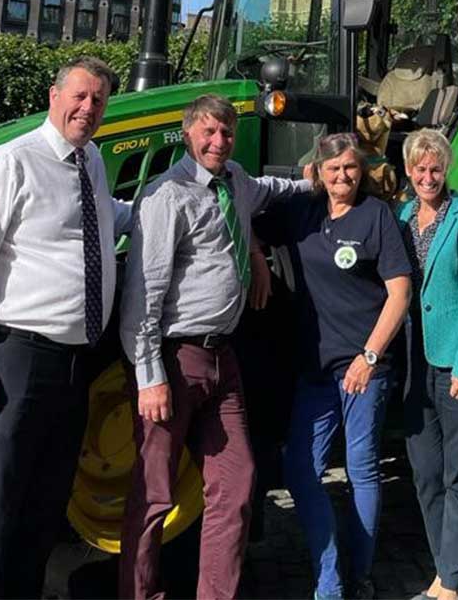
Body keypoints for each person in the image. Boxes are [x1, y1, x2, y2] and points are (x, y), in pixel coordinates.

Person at [0, 56, 125, 599]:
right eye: (80, 96)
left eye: (98, 101)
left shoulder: (91, 162)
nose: (88, 109)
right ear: (53, 95)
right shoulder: (11, 162)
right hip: (16, 358)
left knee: (43, 511)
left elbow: (104, 218)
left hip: (71, 367)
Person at [117, 93, 311, 600]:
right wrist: (149, 375)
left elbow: (274, 188)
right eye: (208, 132)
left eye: (225, 133)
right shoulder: (167, 196)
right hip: (176, 361)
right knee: (154, 492)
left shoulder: (237, 182)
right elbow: (144, 292)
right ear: (187, 134)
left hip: (224, 357)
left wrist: (323, 178)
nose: (219, 142)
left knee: (238, 482)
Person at [254, 132, 412, 600]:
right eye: (333, 169)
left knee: (362, 469)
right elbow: (250, 219)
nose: (343, 176)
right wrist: (258, 262)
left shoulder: (376, 215)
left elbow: (399, 293)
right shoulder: (302, 212)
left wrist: (369, 357)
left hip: (364, 368)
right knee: (302, 470)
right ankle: (330, 573)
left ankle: (356, 574)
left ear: (360, 170)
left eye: (350, 167)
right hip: (316, 368)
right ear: (318, 173)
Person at [395, 129, 458, 600]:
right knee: (426, 473)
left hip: (454, 363)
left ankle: (452, 580)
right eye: (420, 169)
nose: (428, 177)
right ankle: (444, 567)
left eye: (436, 169)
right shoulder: (400, 218)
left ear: (446, 169)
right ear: (410, 171)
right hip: (414, 365)